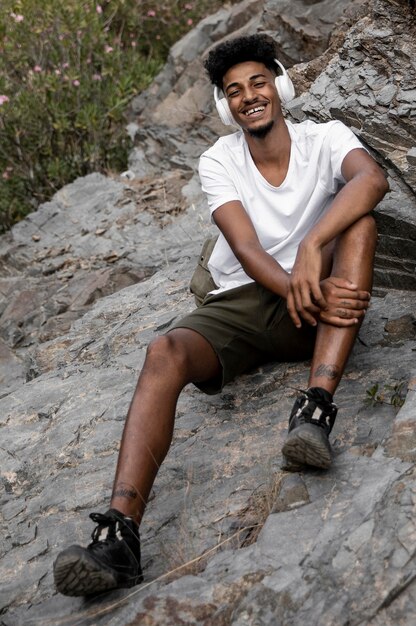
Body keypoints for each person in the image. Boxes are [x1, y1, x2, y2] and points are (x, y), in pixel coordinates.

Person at [53, 34, 388, 596]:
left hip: (314, 305)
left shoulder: (326, 138)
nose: (249, 97)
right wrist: (301, 290)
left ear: (279, 85)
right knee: (164, 351)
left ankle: (315, 412)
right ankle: (120, 537)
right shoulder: (219, 160)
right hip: (248, 301)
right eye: (234, 92)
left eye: (258, 83)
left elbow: (371, 180)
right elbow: (248, 250)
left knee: (360, 223)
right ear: (223, 106)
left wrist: (312, 247)